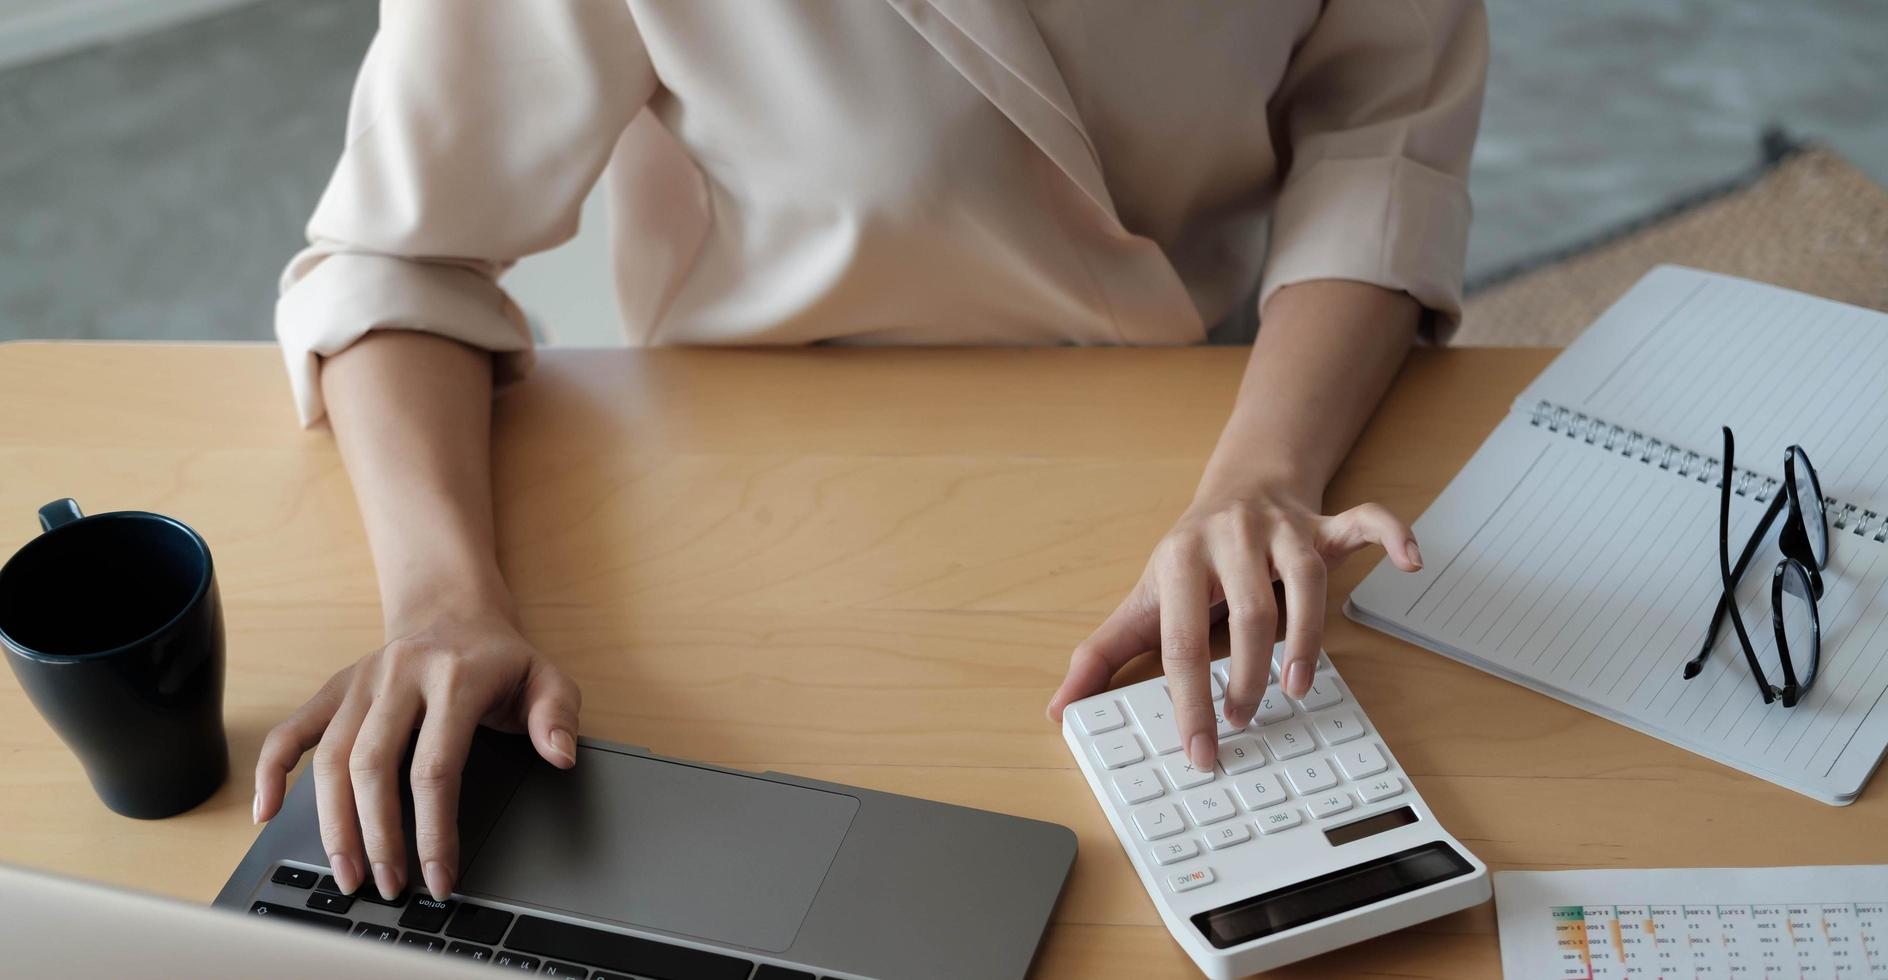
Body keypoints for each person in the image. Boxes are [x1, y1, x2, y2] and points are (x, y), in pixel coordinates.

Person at [252, 0, 1486, 906]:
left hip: (1219, 412)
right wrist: (441, 600)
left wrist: (1263, 470)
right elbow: (399, 257)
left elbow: (1378, 145)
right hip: (751, 496)